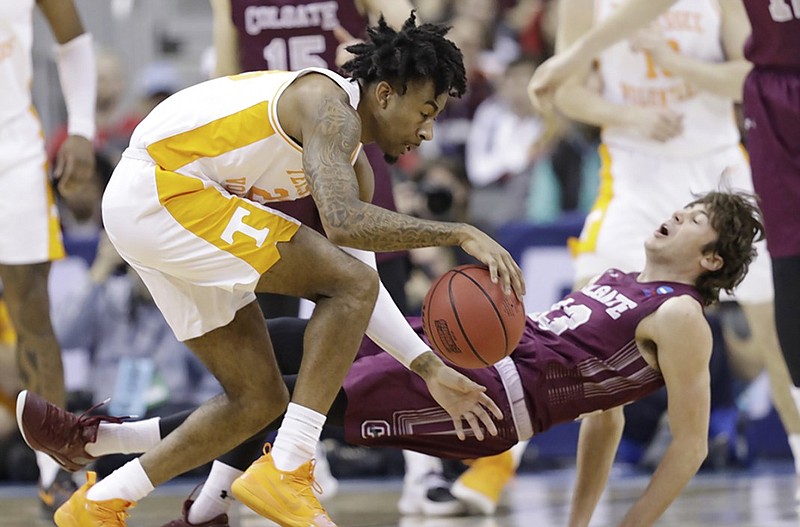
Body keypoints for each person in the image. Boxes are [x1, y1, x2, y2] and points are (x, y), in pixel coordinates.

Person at [19, 14, 525, 527]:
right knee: (342, 288)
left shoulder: (354, 162)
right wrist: (456, 232)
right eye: (427, 110)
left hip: (161, 205)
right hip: (162, 188)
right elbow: (345, 227)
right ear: (388, 94)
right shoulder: (329, 108)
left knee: (258, 397)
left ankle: (101, 503)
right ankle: (290, 465)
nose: (429, 131)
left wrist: (431, 369)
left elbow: (365, 293)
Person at [19, 191, 764, 527]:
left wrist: (628, 525)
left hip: (484, 402)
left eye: (695, 216)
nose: (677, 212)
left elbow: (690, 443)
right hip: (464, 359)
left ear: (710, 255)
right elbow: (604, 417)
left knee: (282, 396)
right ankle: (184, 496)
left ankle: (102, 444)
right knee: (281, 344)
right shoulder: (621, 281)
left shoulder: (680, 316)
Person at [527, 0, 800, 487]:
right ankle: (488, 475)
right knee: (572, 331)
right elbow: (563, 90)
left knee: (778, 332)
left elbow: (749, 73)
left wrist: (679, 65)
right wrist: (629, 116)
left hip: (717, 166)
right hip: (636, 172)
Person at [210, 1, 468, 516]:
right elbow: (226, 73)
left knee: (387, 306)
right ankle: (278, 462)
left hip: (350, 134)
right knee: (264, 332)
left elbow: (416, 26)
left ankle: (423, 469)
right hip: (276, 143)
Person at [0, 0, 96, 513]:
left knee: (30, 310)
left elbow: (74, 38)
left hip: (11, 150)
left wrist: (81, 127)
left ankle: (54, 468)